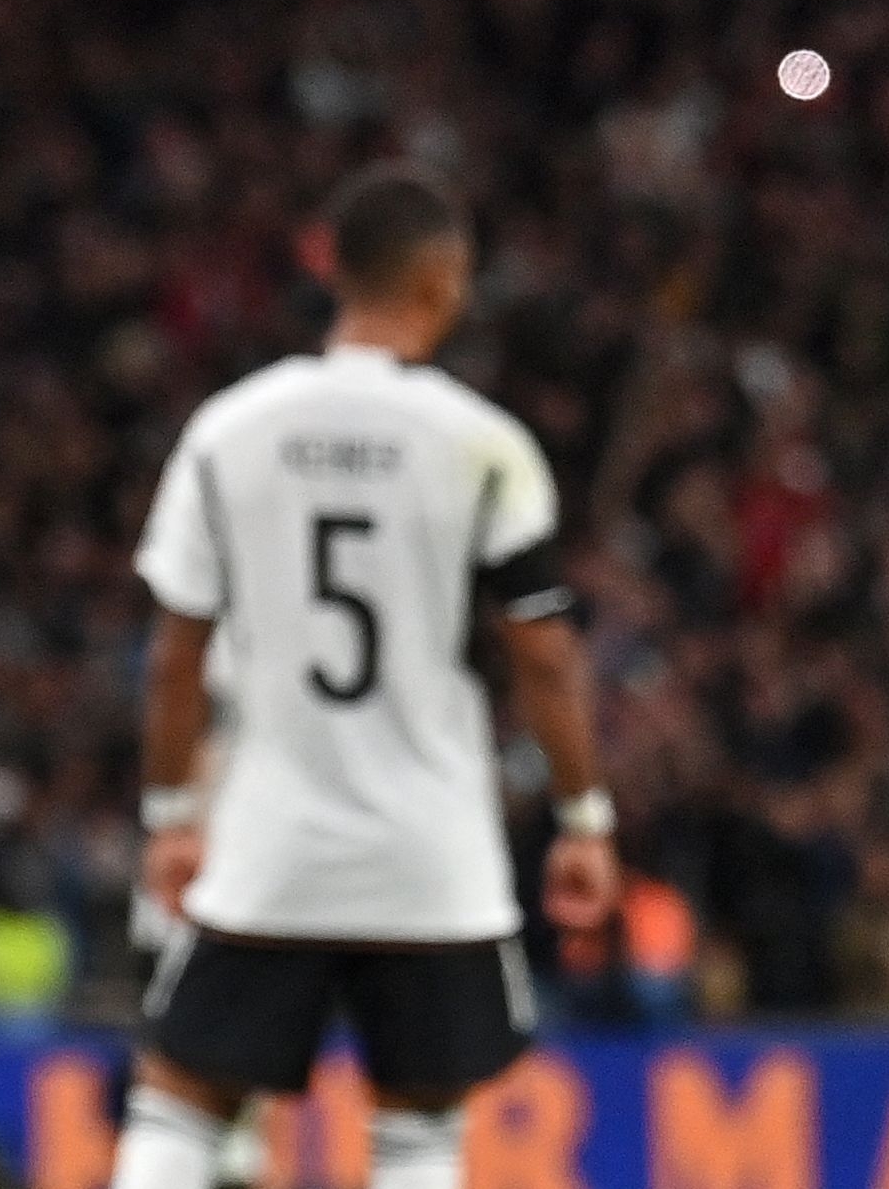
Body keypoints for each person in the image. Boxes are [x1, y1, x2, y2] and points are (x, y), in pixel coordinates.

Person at [113, 166, 617, 1189]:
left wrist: (171, 811)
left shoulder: (229, 429)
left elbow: (176, 654)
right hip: (429, 852)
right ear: (442, 281)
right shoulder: (483, 444)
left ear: (334, 273)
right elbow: (544, 652)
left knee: (179, 1098)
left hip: (272, 843)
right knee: (420, 1128)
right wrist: (584, 816)